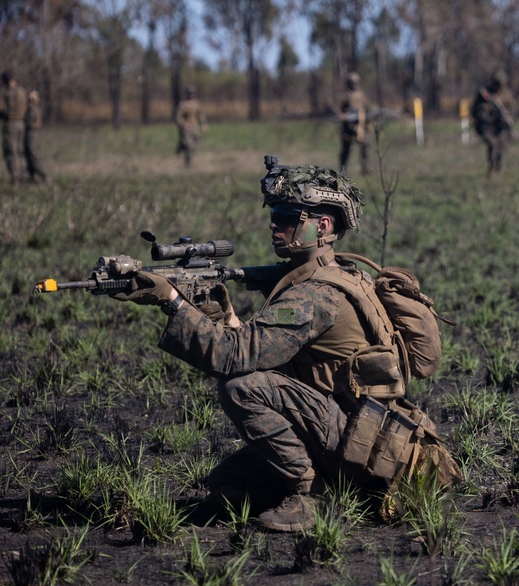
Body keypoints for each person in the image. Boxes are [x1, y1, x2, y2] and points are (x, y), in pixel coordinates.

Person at [109, 160, 390, 532]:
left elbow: (234, 358)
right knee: (228, 485)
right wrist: (222, 314)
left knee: (240, 387)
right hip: (344, 427)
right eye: (274, 214)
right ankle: (323, 484)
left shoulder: (314, 295)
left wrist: (172, 301)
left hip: (356, 439)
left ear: (323, 226)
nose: (275, 224)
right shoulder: (334, 275)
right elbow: (259, 351)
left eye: (288, 216)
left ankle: (314, 495)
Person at [472, 70, 514, 176]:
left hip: (500, 126)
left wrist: (506, 117)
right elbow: (475, 110)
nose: (500, 86)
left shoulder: (507, 94)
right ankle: (491, 169)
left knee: (501, 145)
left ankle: (497, 167)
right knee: (493, 143)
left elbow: (512, 109)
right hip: (486, 126)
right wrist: (485, 113)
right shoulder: (484, 94)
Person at [339, 72, 369, 175]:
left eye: (355, 82)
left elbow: (367, 110)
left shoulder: (362, 95)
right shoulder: (346, 95)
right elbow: (341, 111)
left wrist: (367, 124)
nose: (354, 85)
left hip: (360, 125)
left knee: (365, 146)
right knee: (346, 149)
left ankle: (365, 168)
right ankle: (343, 170)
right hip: (348, 126)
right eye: (352, 83)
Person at [1, 71, 28, 184]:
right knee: (20, 151)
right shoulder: (22, 91)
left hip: (11, 123)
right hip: (21, 123)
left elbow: (6, 109)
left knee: (10, 151)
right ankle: (23, 175)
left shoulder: (9, 93)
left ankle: (15, 178)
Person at [175, 87, 207, 167]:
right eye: (190, 94)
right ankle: (188, 163)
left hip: (194, 127)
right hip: (186, 128)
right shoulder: (182, 105)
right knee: (188, 145)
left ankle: (182, 147)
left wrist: (203, 124)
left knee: (195, 142)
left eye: (193, 94)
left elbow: (201, 115)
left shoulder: (196, 104)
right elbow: (178, 118)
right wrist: (184, 124)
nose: (191, 95)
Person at [24, 90, 46, 183]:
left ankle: (44, 175)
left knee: (33, 154)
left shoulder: (32, 109)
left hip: (32, 133)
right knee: (28, 154)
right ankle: (31, 176)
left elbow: (29, 121)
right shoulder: (35, 108)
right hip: (32, 133)